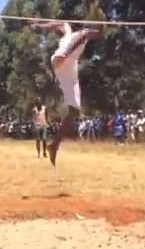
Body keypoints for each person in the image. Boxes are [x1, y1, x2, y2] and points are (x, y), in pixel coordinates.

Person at [31, 21, 101, 178]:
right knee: (83, 36)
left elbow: (56, 24)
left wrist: (40, 26)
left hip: (67, 69)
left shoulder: (68, 31)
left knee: (75, 112)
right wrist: (67, 53)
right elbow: (87, 33)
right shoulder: (78, 33)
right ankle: (53, 145)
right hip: (63, 59)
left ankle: (54, 145)